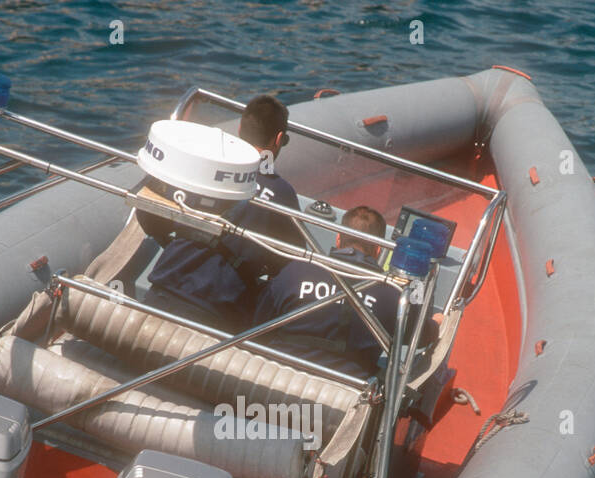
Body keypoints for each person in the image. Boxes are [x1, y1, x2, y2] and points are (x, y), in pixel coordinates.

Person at [146, 95, 301, 327]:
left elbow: (150, 215)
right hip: (214, 315)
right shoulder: (281, 193)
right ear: (278, 140)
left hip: (161, 288)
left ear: (240, 129)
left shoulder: (204, 168)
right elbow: (291, 266)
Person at [253, 205, 411, 373]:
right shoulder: (392, 295)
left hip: (273, 378)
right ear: (379, 250)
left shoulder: (294, 270)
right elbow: (418, 336)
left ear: (338, 239)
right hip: (345, 391)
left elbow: (259, 323)